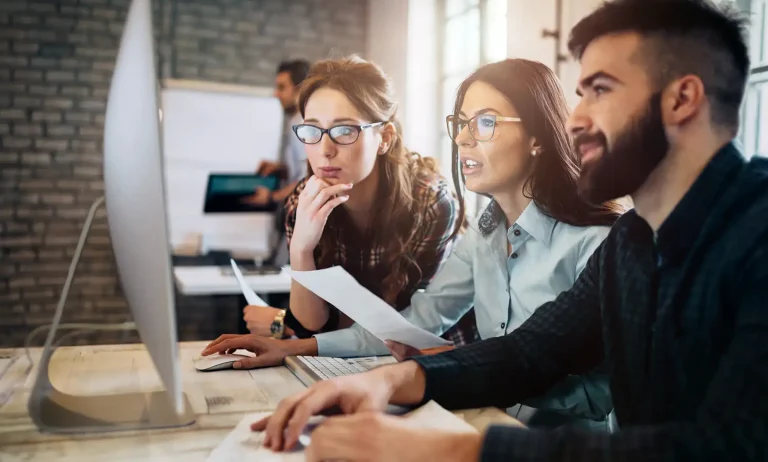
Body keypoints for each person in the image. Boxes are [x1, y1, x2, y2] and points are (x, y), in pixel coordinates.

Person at [244, 0, 768, 460]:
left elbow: (726, 446)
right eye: (580, 92)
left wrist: (464, 450)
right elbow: (528, 353)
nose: (575, 118)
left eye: (600, 90)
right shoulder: (633, 241)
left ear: (682, 99)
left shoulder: (756, 233)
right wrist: (391, 380)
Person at [204, 58, 626, 430]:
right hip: (477, 424)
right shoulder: (484, 235)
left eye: (484, 122)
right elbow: (418, 321)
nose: (462, 139)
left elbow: (601, 395)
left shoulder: (598, 245)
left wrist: (467, 371)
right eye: (460, 123)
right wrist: (295, 347)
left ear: (538, 136)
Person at [222, 56, 478, 344]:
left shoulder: (430, 202)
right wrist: (301, 249)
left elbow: (398, 325)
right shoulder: (302, 200)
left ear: (384, 138)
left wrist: (282, 323)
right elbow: (312, 321)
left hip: (438, 358)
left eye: (345, 130)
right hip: (351, 357)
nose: (325, 149)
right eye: (312, 130)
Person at [246, 59, 311, 267]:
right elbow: (299, 169)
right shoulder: (294, 121)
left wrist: (271, 196)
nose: (276, 94)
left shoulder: (303, 125)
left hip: (300, 220)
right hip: (290, 217)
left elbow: (308, 177)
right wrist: (280, 168)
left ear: (299, 89)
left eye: (282, 87)